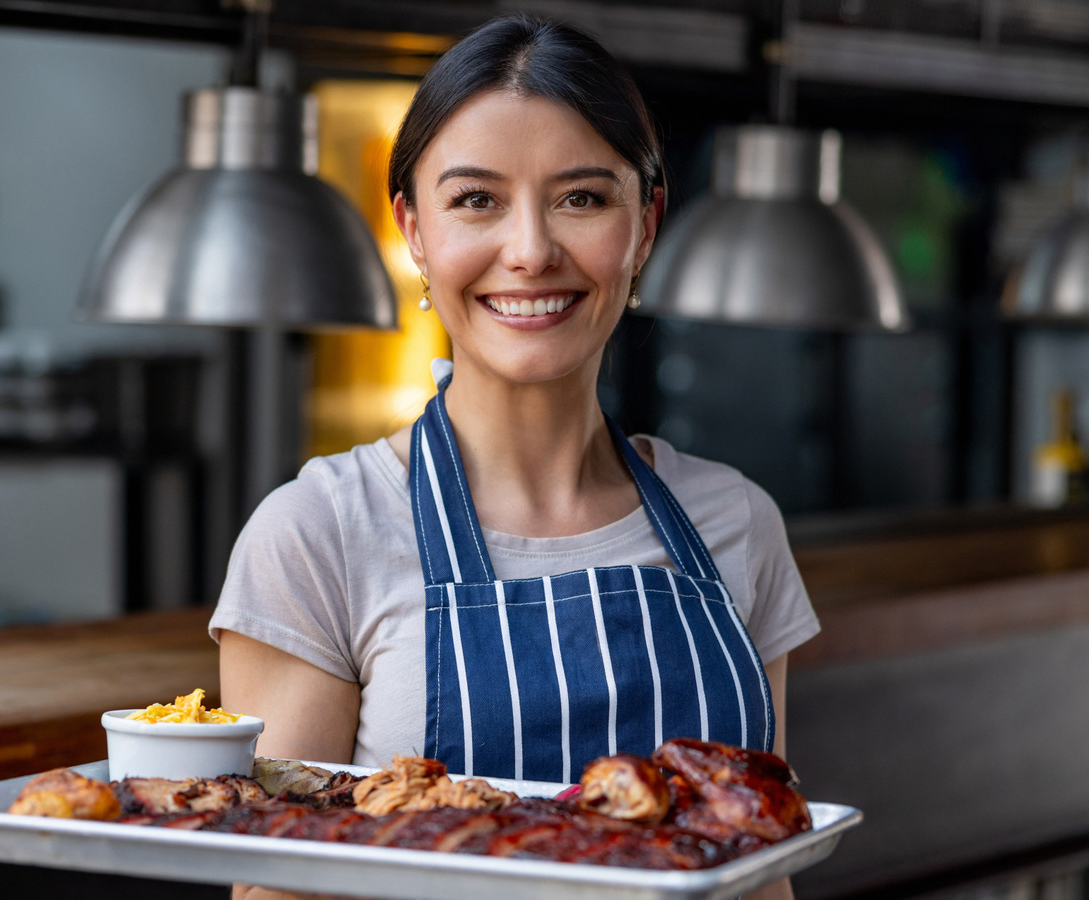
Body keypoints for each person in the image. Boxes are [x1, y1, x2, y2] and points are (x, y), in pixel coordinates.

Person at [212, 14, 819, 900]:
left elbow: (763, 868)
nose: (531, 251)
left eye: (582, 197)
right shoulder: (318, 535)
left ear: (645, 223)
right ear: (413, 229)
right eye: (476, 200)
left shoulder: (738, 523)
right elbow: (279, 892)